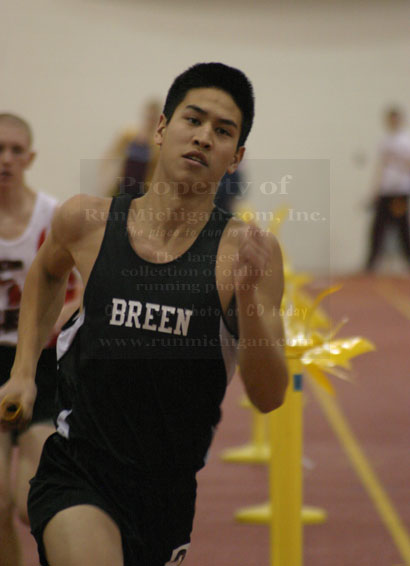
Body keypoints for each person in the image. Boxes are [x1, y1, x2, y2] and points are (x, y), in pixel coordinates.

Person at [0, 63, 288, 566]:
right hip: (77, 470)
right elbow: (45, 273)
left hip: (165, 493)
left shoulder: (246, 254)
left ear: (236, 157)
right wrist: (24, 371)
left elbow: (269, 396)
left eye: (223, 131)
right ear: (161, 128)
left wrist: (246, 296)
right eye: (192, 120)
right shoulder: (87, 221)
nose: (203, 137)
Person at [0, 113, 80, 566]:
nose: (6, 159)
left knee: (32, 503)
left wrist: (63, 313)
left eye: (15, 150)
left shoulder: (52, 216)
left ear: (29, 158)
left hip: (39, 365)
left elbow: (87, 286)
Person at [365, 106, 410, 271]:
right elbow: (381, 167)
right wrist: (375, 190)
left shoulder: (406, 140)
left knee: (401, 227)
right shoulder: (384, 141)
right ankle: (371, 264)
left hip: (400, 191)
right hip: (386, 190)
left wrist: (397, 159)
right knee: (378, 227)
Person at [99, 99, 162, 198]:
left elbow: (156, 170)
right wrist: (107, 178)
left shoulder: (157, 144)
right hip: (123, 186)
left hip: (142, 190)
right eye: (149, 117)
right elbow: (112, 155)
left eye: (153, 118)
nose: (150, 121)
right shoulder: (129, 136)